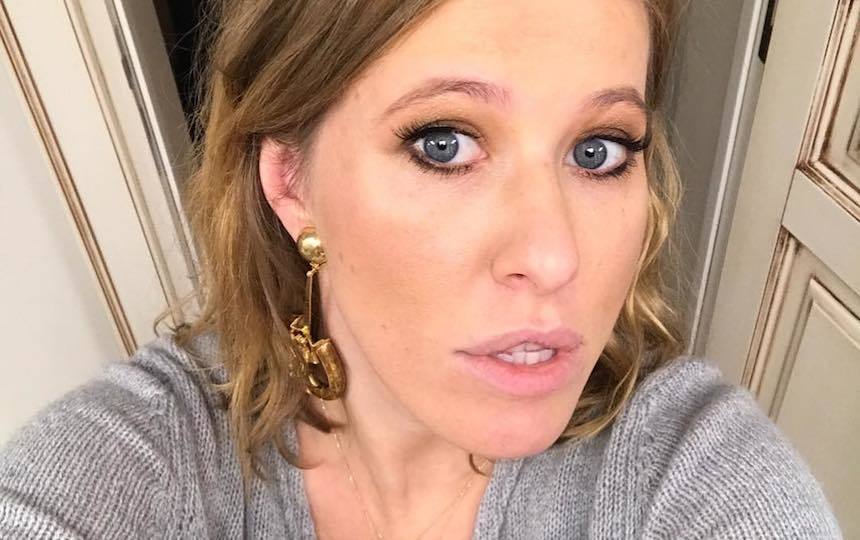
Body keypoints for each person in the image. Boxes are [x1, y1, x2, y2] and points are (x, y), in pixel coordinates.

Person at [0, 0, 843, 538]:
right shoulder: (147, 462)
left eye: (599, 149)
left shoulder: (686, 467)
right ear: (291, 182)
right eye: (444, 144)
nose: (555, 257)